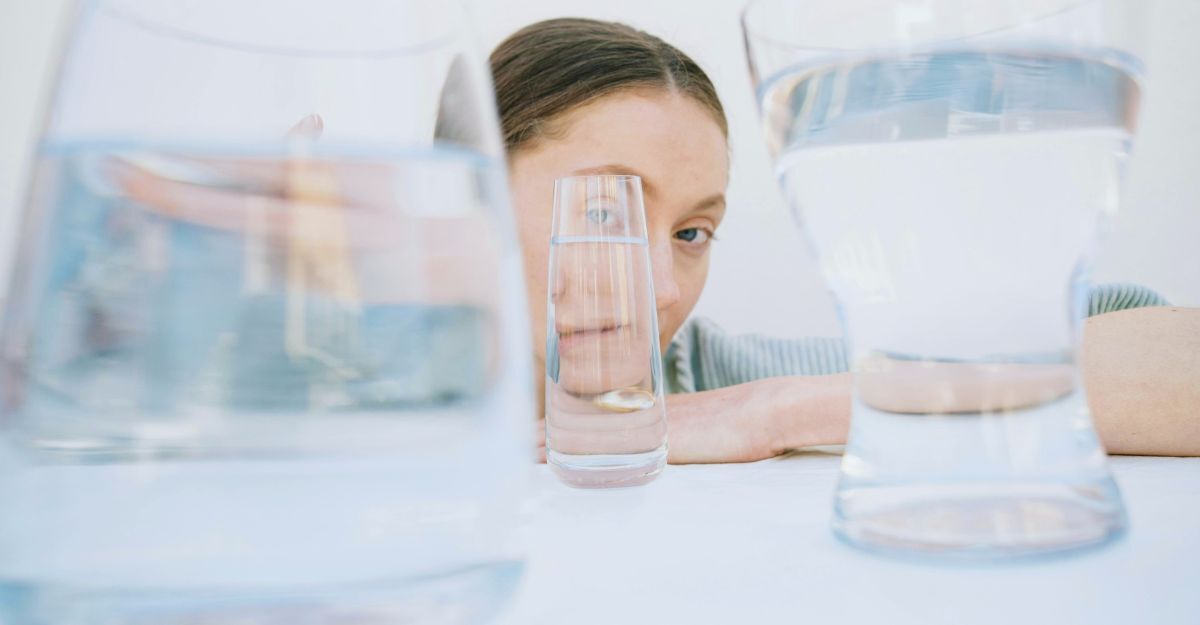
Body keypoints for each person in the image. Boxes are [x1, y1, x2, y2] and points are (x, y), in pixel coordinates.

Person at [491, 18, 1200, 461]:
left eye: (691, 232)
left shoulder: (711, 382)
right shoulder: (382, 388)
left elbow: (1167, 348)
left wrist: (777, 411)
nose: (666, 290)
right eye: (604, 210)